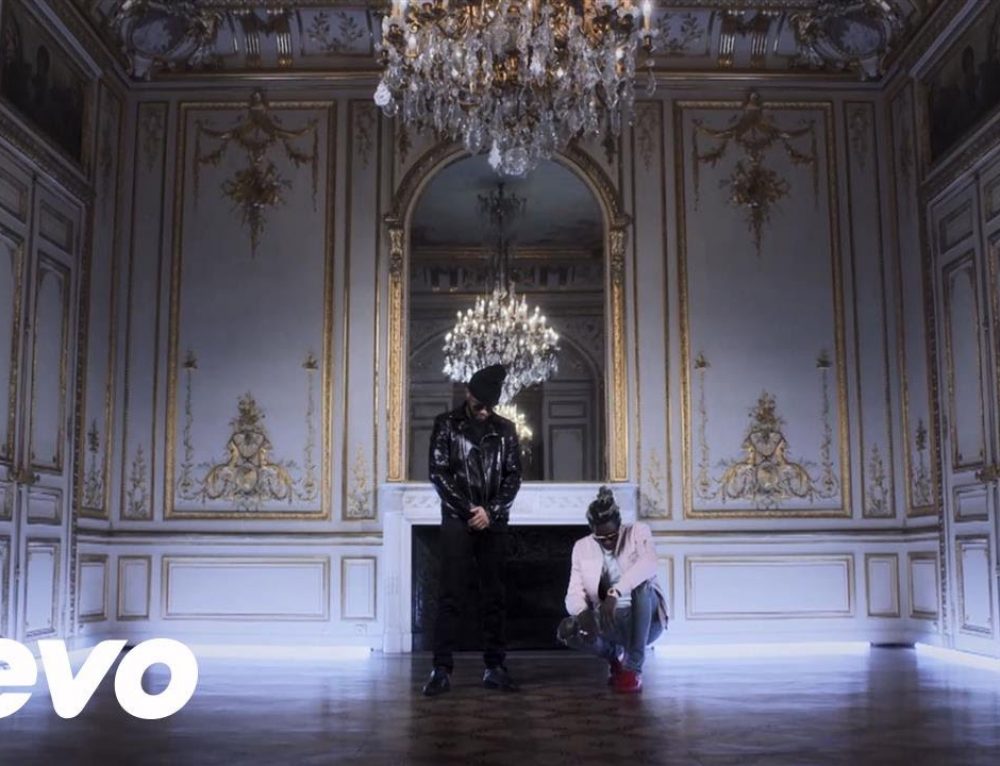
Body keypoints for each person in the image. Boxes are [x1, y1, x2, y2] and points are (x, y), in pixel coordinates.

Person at [421, 364, 522, 697]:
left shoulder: (506, 429)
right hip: (457, 520)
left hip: (494, 521)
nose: (484, 412)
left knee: (495, 596)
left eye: (490, 406)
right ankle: (441, 670)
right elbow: (438, 473)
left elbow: (513, 476)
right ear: (468, 393)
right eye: (480, 404)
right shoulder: (446, 425)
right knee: (450, 595)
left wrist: (491, 511)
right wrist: (469, 511)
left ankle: (495, 667)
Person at [557, 486, 668, 693]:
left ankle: (633, 669)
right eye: (601, 538)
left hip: (645, 620)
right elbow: (573, 592)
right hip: (610, 619)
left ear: (620, 525)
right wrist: (582, 613)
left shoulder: (637, 532)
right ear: (592, 531)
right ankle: (615, 658)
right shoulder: (581, 547)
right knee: (567, 631)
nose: (608, 541)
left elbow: (649, 563)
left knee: (642, 585)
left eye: (613, 536)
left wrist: (615, 593)